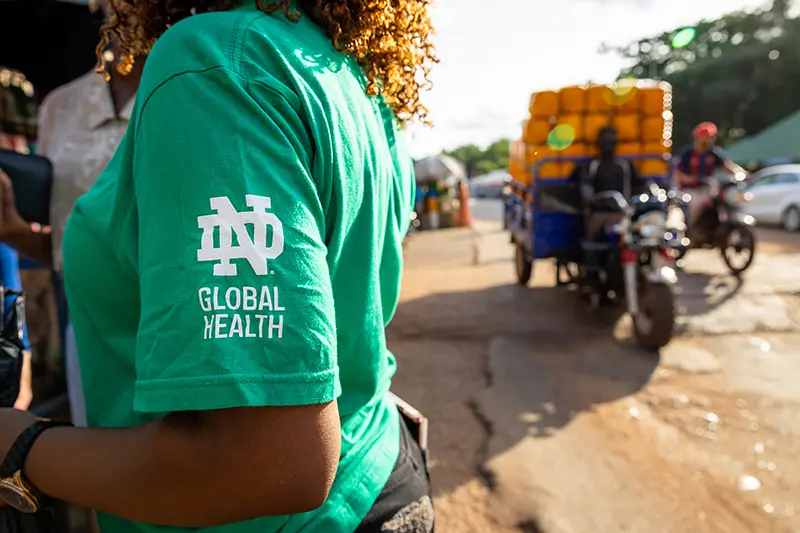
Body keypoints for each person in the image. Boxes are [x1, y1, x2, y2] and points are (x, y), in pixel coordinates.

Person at [0, 1, 435, 533]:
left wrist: (20, 447)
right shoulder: (343, 70)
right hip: (376, 468)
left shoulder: (213, 60)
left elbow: (267, 462)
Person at [0, 20, 144, 427]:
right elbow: (64, 248)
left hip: (172, 317)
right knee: (103, 461)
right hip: (87, 328)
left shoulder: (187, 88)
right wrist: (13, 230)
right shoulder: (61, 106)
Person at [574, 126, 649, 242]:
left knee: (628, 240)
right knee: (593, 243)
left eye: (611, 142)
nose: (608, 146)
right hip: (598, 212)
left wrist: (640, 197)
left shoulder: (625, 165)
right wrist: (592, 199)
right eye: (605, 142)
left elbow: (640, 184)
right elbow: (585, 185)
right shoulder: (591, 165)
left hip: (622, 212)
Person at [674, 122, 747, 231]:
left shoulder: (713, 152)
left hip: (708, 188)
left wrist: (741, 173)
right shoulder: (687, 154)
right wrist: (692, 179)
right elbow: (678, 175)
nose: (708, 140)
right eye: (706, 137)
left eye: (711, 137)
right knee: (694, 204)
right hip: (690, 190)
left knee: (724, 200)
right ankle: (688, 230)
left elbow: (728, 166)